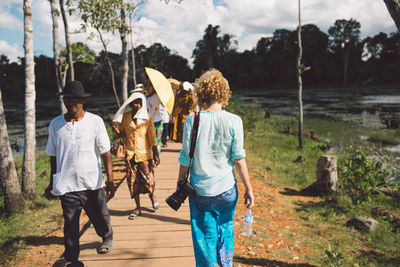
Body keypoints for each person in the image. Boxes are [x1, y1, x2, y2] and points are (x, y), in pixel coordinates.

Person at [177, 69, 255, 267]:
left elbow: (185, 159)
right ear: (224, 93)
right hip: (227, 190)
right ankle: (225, 262)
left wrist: (179, 184)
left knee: (204, 235)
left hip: (200, 191)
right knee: (226, 227)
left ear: (201, 93)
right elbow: (239, 159)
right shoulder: (234, 121)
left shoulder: (191, 120)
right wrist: (249, 188)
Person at [44, 81, 115, 267]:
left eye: (76, 99)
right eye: (68, 99)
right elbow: (53, 156)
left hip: (92, 182)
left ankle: (106, 235)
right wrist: (52, 183)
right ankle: (72, 258)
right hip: (66, 183)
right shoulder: (55, 124)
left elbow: (105, 152)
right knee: (70, 223)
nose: (71, 102)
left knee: (99, 215)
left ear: (83, 100)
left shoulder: (95, 121)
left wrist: (111, 179)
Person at [111, 93, 160, 219]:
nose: (137, 105)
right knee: (132, 181)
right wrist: (115, 129)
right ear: (131, 103)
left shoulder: (147, 118)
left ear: (143, 104)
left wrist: (156, 154)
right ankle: (137, 208)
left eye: (139, 103)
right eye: (135, 102)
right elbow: (121, 135)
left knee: (149, 179)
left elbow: (152, 138)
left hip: (144, 155)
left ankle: (152, 196)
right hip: (130, 155)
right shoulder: (126, 117)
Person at [145, 80, 163, 153]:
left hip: (157, 122)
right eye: (147, 86)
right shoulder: (144, 98)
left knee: (157, 142)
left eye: (150, 86)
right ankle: (150, 159)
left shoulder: (157, 97)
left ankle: (156, 159)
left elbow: (164, 104)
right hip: (147, 123)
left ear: (153, 87)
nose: (148, 87)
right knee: (148, 142)